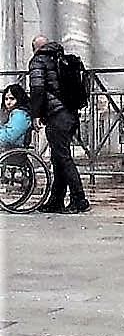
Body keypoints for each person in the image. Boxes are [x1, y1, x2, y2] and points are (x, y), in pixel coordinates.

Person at [22, 37, 90, 213]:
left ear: (34, 48)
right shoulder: (61, 57)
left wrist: (35, 115)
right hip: (70, 114)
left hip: (57, 115)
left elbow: (37, 89)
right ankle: (56, 199)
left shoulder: (38, 61)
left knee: (63, 158)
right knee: (58, 158)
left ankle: (79, 199)